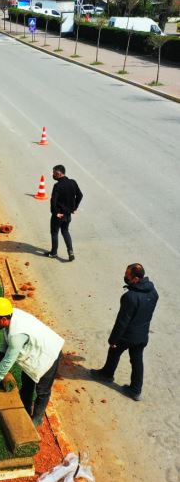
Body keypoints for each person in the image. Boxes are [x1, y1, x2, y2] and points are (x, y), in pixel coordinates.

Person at [0, 297, 64, 427]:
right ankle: (25, 408)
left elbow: (10, 358)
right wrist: (0, 353)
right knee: (27, 382)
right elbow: (6, 336)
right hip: (35, 351)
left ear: (3, 319)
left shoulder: (16, 335)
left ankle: (37, 418)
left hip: (49, 353)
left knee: (42, 390)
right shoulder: (10, 315)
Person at [90, 263, 158, 401]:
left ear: (136, 279)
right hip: (142, 335)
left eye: (128, 275)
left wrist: (113, 340)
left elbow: (122, 321)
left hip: (127, 335)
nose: (125, 276)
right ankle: (135, 390)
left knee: (114, 351)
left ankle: (107, 375)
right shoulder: (153, 292)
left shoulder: (130, 297)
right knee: (137, 360)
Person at [45, 164, 83, 262]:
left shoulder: (57, 186)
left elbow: (53, 201)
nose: (53, 175)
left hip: (59, 215)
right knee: (65, 231)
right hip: (68, 215)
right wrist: (74, 207)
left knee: (54, 233)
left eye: (54, 173)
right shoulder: (72, 182)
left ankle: (53, 253)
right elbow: (80, 195)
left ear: (58, 173)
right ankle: (70, 252)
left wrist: (55, 213)